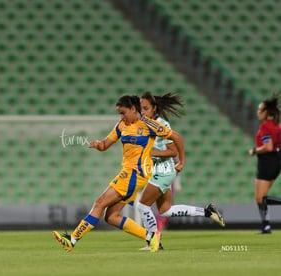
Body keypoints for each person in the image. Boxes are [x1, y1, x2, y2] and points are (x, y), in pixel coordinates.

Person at [53, 95, 185, 253]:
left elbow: (176, 137)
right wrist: (97, 144)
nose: (121, 117)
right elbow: (105, 145)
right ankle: (151, 237)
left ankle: (72, 240)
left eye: (123, 113)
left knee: (99, 203)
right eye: (119, 114)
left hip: (136, 173)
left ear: (133, 109)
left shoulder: (149, 124)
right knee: (111, 216)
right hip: (128, 173)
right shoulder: (122, 125)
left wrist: (181, 162)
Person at [136, 92, 225, 250]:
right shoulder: (145, 124)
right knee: (165, 211)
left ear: (154, 108)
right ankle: (207, 212)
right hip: (158, 170)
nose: (143, 112)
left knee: (143, 206)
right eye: (141, 108)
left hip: (163, 171)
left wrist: (153, 154)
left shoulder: (161, 125)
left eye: (146, 108)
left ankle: (154, 243)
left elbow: (172, 151)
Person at [248, 94, 281, 234]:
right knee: (260, 196)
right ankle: (266, 225)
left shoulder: (266, 126)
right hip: (275, 159)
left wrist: (255, 150)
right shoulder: (277, 125)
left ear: (267, 113)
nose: (258, 112)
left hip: (268, 160)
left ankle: (266, 225)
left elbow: (268, 146)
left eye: (260, 109)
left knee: (260, 197)